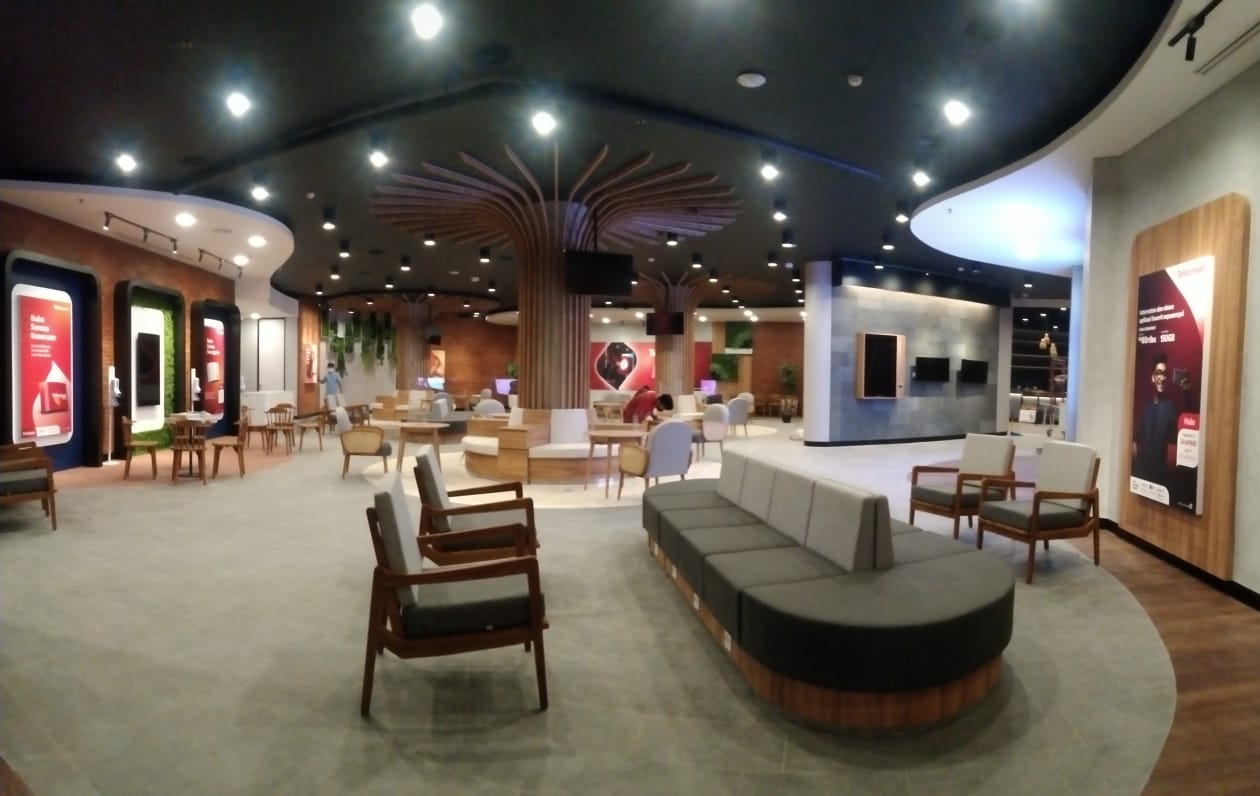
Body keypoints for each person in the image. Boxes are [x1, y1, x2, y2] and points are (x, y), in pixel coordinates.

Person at [1132, 354, 1178, 486]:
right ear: (1152, 378)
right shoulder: (1145, 408)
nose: (1162, 378)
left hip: (1161, 474)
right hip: (1142, 471)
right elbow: (1136, 438)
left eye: (1165, 374)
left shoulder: (1170, 407)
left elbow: (1175, 440)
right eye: (1158, 373)